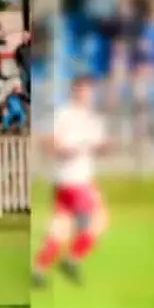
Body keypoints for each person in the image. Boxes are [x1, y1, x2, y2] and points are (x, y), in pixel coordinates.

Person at [33, 77, 111, 287]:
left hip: (71, 181)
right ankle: (71, 259)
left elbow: (101, 146)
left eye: (89, 91)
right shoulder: (64, 114)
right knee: (98, 221)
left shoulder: (92, 119)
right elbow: (47, 140)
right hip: (75, 181)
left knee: (60, 228)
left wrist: (104, 147)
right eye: (83, 91)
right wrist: (61, 150)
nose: (86, 95)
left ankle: (39, 271)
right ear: (75, 92)